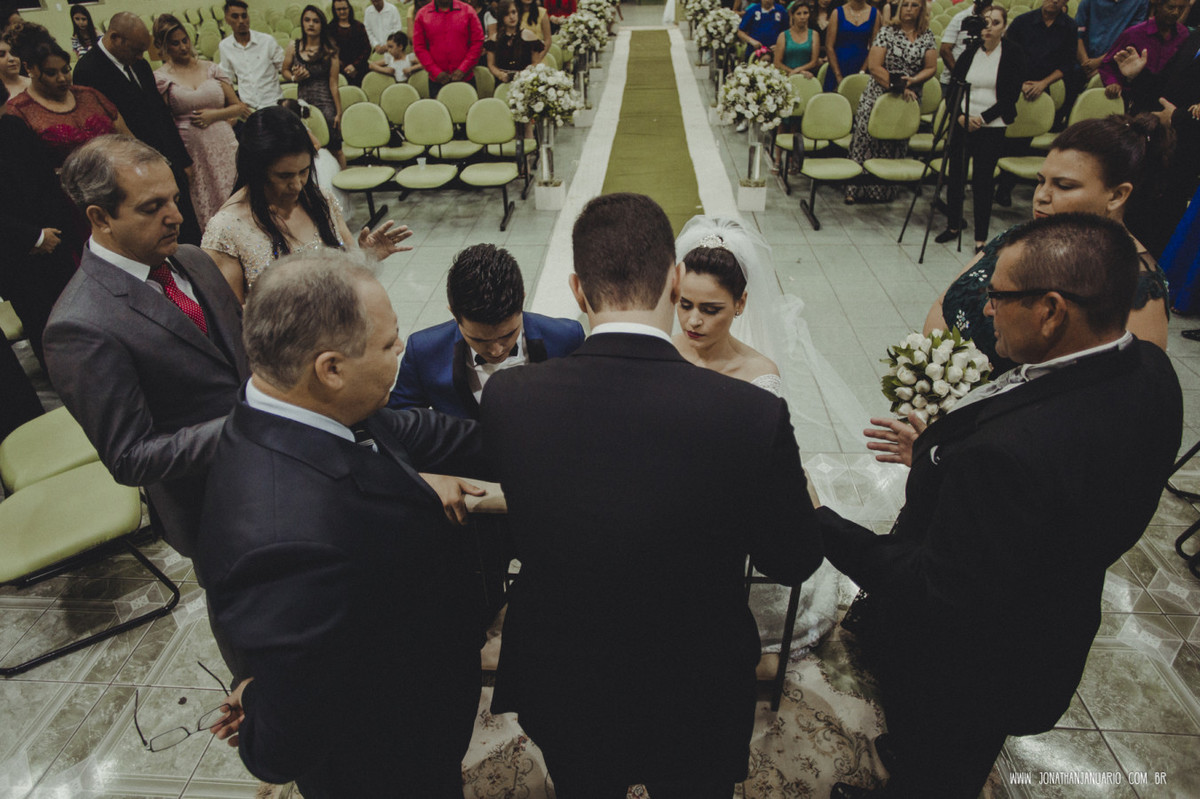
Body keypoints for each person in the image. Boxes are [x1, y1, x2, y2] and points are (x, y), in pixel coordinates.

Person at [824, 213, 1182, 799]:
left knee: (944, 757)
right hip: (1050, 620)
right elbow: (1068, 493)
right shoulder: (1149, 368)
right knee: (944, 748)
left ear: (1051, 311)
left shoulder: (1011, 456)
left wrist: (822, 522)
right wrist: (941, 459)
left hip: (976, 659)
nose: (987, 310)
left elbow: (933, 588)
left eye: (999, 296)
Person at [482, 193, 823, 798]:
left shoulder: (511, 399)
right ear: (673, 279)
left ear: (578, 289)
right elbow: (793, 558)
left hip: (567, 679)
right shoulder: (751, 414)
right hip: (695, 686)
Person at [199, 252, 489, 799]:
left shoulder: (288, 407)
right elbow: (284, 744)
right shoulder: (287, 540)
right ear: (330, 368)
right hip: (387, 757)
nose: (400, 350)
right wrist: (259, 700)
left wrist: (536, 423)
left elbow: (406, 431)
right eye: (389, 343)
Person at [43, 134, 249, 563]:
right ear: (101, 217)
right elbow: (131, 457)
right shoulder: (79, 324)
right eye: (152, 207)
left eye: (174, 199)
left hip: (277, 467)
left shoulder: (191, 258)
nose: (176, 217)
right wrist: (255, 423)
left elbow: (234, 351)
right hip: (211, 505)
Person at [672, 216, 843, 653]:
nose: (693, 320)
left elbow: (762, 463)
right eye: (685, 304)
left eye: (711, 309)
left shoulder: (759, 374)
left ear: (741, 303)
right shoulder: (662, 353)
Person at [925, 114, 1172, 374]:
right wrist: (935, 378)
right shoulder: (1020, 236)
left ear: (1117, 195)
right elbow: (945, 303)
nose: (1041, 196)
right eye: (1040, 181)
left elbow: (1123, 389)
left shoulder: (1137, 288)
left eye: (1064, 186)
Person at [202, 106, 412, 300]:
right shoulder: (226, 228)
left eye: (304, 172)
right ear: (255, 170)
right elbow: (230, 315)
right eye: (284, 176)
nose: (297, 185)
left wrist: (366, 256)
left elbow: (347, 269)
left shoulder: (320, 200)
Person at [390, 243, 584, 418]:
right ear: (454, 314)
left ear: (522, 301)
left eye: (508, 335)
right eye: (479, 340)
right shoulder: (423, 352)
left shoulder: (567, 337)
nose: (496, 351)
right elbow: (398, 419)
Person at [72, 12, 202, 247]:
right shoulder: (88, 70)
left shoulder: (139, 64)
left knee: (187, 227)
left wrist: (182, 158)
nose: (141, 56)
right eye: (136, 50)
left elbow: (161, 113)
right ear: (115, 38)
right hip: (132, 166)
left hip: (167, 158)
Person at [0, 79, 82, 370]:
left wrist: (53, 230)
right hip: (15, 249)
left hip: (52, 235)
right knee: (39, 320)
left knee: (72, 309)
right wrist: (32, 237)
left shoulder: (12, 126)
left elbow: (43, 180)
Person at [936, 6, 1025, 250]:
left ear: (1004, 27)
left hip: (992, 125)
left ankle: (980, 238)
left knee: (983, 181)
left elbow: (1010, 96)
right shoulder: (970, 51)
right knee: (956, 175)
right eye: (985, 22)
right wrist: (961, 116)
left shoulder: (1013, 53)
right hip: (962, 122)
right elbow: (954, 88)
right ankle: (953, 225)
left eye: (995, 23)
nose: (989, 28)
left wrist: (982, 118)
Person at [1112, 23, 1200, 259]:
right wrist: (1139, 76)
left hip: (1187, 159)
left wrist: (1178, 118)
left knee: (1157, 240)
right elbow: (1166, 91)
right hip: (1159, 153)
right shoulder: (1195, 37)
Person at [153, 15, 245, 230]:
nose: (183, 47)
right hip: (192, 149)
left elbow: (238, 107)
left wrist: (213, 116)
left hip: (223, 142)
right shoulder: (161, 77)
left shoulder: (211, 68)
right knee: (205, 198)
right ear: (165, 47)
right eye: (175, 43)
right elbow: (164, 120)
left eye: (185, 40)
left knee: (233, 190)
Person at [845, 0, 936, 202]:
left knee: (894, 143)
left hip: (908, 98)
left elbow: (931, 67)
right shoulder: (887, 32)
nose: (909, 9)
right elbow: (875, 66)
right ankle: (854, 189)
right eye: (905, 5)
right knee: (865, 141)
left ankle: (881, 191)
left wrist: (914, 81)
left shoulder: (927, 35)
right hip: (880, 94)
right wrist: (900, 86)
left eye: (914, 5)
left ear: (921, 9)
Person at [5, 26, 132, 168]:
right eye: (51, 73)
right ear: (29, 68)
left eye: (65, 70)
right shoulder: (19, 110)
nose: (62, 78)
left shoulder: (89, 95)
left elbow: (128, 139)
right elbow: (25, 167)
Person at [993, 0, 1078, 206]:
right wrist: (1018, 83)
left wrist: (1043, 84)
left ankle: (1005, 187)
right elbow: (1004, 54)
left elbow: (1067, 64)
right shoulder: (1022, 22)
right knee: (1000, 138)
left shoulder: (1069, 27)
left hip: (1040, 88)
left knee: (1022, 140)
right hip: (1012, 85)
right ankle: (989, 183)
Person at [1099, 0, 1190, 112]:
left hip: (1164, 103)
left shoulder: (1184, 35)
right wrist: (1113, 83)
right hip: (1133, 100)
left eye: (1181, 9)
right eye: (1171, 7)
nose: (1176, 12)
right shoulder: (1133, 34)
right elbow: (1107, 64)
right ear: (1158, 6)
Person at [283, 5, 344, 168]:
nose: (311, 24)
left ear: (322, 25)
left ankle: (343, 182)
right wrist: (294, 77)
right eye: (307, 20)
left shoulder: (330, 51)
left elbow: (334, 84)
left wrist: (338, 112)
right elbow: (284, 71)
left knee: (335, 148)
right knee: (307, 148)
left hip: (326, 103)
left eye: (316, 21)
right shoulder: (293, 46)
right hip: (303, 104)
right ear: (302, 23)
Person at [219, 0, 285, 112]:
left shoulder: (267, 41)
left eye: (244, 16)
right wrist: (237, 103)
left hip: (273, 103)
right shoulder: (225, 46)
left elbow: (284, 67)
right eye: (235, 17)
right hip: (249, 108)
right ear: (227, 20)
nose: (241, 21)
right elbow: (226, 79)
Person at [413, 0, 486, 97]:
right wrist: (435, 71)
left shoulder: (468, 11)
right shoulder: (422, 15)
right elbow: (419, 47)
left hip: (465, 77)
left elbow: (477, 41)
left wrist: (463, 68)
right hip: (437, 80)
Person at [1075, 0, 1149, 79]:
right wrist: (1085, 62)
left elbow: (1131, 38)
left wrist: (1100, 62)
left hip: (1114, 66)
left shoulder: (1140, 2)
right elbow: (1077, 32)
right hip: (1079, 62)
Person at [485, 0, 545, 84]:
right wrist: (499, 74)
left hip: (525, 82)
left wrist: (524, 74)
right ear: (501, 17)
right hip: (502, 82)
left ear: (518, 13)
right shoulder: (494, 39)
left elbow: (536, 62)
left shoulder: (529, 36)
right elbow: (491, 64)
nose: (511, 17)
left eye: (514, 12)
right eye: (507, 14)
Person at [823, 0, 878, 91]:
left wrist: (862, 71)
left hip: (862, 64)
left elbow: (874, 47)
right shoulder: (837, 12)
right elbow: (829, 46)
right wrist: (838, 75)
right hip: (838, 64)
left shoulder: (875, 14)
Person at [774, 0, 820, 77]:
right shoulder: (783, 35)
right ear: (792, 15)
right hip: (786, 76)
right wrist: (794, 72)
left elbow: (814, 62)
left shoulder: (814, 34)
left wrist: (798, 71)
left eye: (805, 13)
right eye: (798, 14)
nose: (802, 17)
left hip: (807, 76)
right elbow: (777, 63)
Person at [330, 0, 371, 86]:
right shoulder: (330, 28)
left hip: (360, 70)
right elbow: (329, 51)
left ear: (349, 8)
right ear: (334, 10)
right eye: (339, 9)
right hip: (338, 72)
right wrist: (345, 68)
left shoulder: (359, 26)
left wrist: (355, 66)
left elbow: (367, 48)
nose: (342, 12)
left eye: (344, 8)